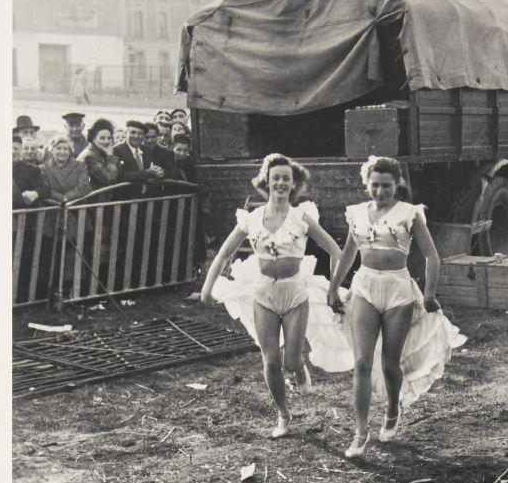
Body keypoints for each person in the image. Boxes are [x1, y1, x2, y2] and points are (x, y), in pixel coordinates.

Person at [201, 154, 350, 438]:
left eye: (286, 178)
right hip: (264, 295)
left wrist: (333, 289)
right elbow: (223, 254)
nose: (281, 183)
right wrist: (208, 288)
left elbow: (335, 251)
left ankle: (298, 366)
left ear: (294, 184)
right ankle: (283, 414)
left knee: (290, 362)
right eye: (276, 178)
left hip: (295, 294)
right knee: (270, 361)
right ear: (266, 182)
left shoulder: (301, 217)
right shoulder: (252, 219)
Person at [327, 156, 466, 459]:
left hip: (398, 292)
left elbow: (432, 256)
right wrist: (333, 287)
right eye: (375, 185)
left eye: (386, 186)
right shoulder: (357, 213)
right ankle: (360, 432)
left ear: (397, 184)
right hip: (364, 288)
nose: (380, 191)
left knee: (391, 363)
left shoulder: (409, 213)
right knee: (362, 363)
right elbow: (348, 254)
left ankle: (392, 410)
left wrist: (429, 294)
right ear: (367, 184)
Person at [113, 120, 165, 196]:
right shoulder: (117, 150)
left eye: (140, 134)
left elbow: (156, 166)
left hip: (145, 197)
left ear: (144, 136)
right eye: (133, 132)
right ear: (126, 133)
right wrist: (147, 173)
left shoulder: (146, 150)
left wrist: (159, 171)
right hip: (125, 197)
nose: (136, 136)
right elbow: (120, 176)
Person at [40, 134, 91, 203]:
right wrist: (60, 197)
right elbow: (45, 189)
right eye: (58, 148)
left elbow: (84, 187)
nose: (62, 152)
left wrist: (67, 197)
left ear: (70, 151)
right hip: (53, 205)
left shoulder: (80, 165)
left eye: (66, 149)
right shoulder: (43, 168)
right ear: (51, 150)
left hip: (76, 205)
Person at [78, 119, 121, 189]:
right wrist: (110, 157)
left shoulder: (99, 151)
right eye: (102, 138)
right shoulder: (90, 156)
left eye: (109, 138)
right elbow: (109, 179)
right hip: (92, 195)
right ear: (93, 138)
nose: (106, 141)